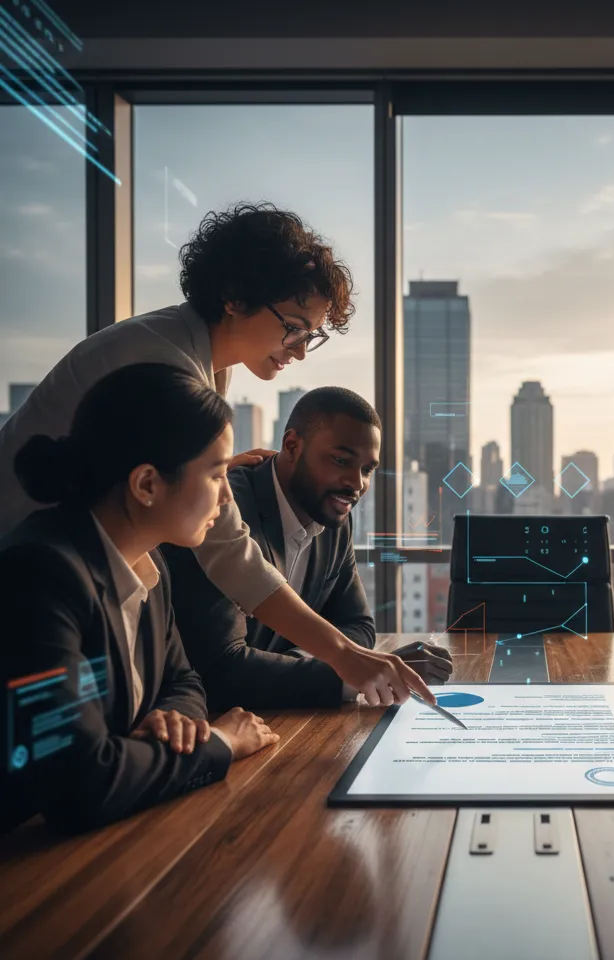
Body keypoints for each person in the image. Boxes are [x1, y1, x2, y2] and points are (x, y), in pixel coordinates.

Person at [0, 201, 432, 710]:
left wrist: (215, 466)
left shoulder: (201, 359)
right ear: (233, 296)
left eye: (310, 335)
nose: (298, 349)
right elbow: (229, 551)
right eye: (292, 326)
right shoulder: (164, 362)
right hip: (35, 581)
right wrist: (342, 654)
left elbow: (131, 459)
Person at [0, 364, 279, 834]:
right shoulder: (39, 576)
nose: (227, 499)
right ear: (147, 484)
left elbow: (184, 680)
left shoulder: (148, 564)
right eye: (216, 475)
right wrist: (219, 742)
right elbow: (81, 782)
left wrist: (177, 723)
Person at [163, 386, 453, 710]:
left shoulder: (333, 516)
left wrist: (333, 662)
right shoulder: (223, 513)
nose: (356, 483)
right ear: (291, 445)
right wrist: (348, 671)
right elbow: (223, 669)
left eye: (367, 469)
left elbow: (359, 627)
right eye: (341, 460)